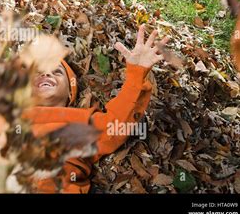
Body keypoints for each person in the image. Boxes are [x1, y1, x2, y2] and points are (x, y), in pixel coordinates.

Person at [22, 25, 170, 193]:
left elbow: (115, 124)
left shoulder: (79, 120)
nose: (46, 74)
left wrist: (137, 73)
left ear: (71, 91)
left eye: (56, 72)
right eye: (38, 72)